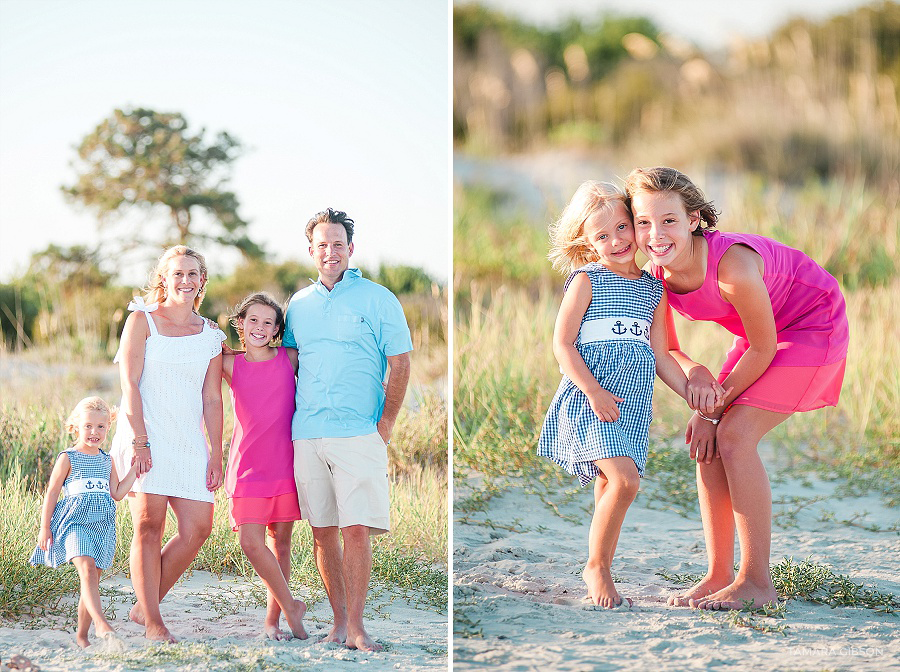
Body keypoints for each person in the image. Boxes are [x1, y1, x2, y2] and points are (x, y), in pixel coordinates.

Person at [625, 166, 849, 610]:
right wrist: (700, 375)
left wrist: (713, 408)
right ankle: (717, 573)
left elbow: (765, 348)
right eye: (643, 222)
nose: (655, 234)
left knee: (732, 434)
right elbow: (667, 349)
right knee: (705, 440)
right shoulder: (656, 275)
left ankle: (757, 583)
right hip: (757, 338)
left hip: (811, 325)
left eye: (668, 220)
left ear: (693, 220)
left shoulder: (733, 270)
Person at [537, 181, 728, 609]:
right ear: (586, 241)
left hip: (633, 405)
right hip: (592, 401)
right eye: (602, 236)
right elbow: (563, 345)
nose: (617, 241)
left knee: (610, 485)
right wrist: (593, 391)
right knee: (627, 480)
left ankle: (600, 563)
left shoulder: (653, 290)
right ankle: (596, 568)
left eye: (623, 228)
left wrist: (690, 395)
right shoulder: (587, 280)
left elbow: (660, 355)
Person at [283, 208, 412, 651]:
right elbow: (287, 367)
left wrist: (386, 424)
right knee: (322, 530)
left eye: (338, 244)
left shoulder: (379, 298)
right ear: (311, 250)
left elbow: (400, 363)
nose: (330, 251)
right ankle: (337, 624)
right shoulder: (297, 305)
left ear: (350, 249)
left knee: (356, 528)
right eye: (322, 244)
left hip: (360, 432)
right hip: (307, 432)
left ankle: (357, 628)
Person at [109, 245, 226, 642]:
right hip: (147, 433)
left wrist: (216, 451)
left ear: (202, 281)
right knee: (148, 526)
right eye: (177, 273)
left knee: (198, 527)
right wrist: (140, 441)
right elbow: (129, 384)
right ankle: (155, 623)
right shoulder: (142, 321)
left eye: (193, 274)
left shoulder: (211, 334)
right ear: (163, 278)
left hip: (188, 440)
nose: (186, 281)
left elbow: (212, 398)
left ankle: (145, 606)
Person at [222, 292, 307, 641]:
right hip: (247, 469)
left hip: (286, 465)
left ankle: (273, 622)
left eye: (268, 322)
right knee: (250, 542)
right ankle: (292, 605)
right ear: (240, 323)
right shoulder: (228, 363)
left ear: (276, 331)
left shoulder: (290, 358)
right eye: (252, 320)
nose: (259, 327)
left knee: (280, 544)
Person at [31, 396, 137, 649]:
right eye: (88, 426)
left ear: (108, 428)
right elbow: (52, 493)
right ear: (76, 426)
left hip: (101, 526)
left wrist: (136, 469)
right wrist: (45, 527)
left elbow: (118, 493)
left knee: (91, 581)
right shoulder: (67, 457)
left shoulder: (106, 460)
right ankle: (103, 625)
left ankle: (82, 637)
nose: (94, 432)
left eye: (101, 427)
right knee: (87, 571)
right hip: (74, 524)